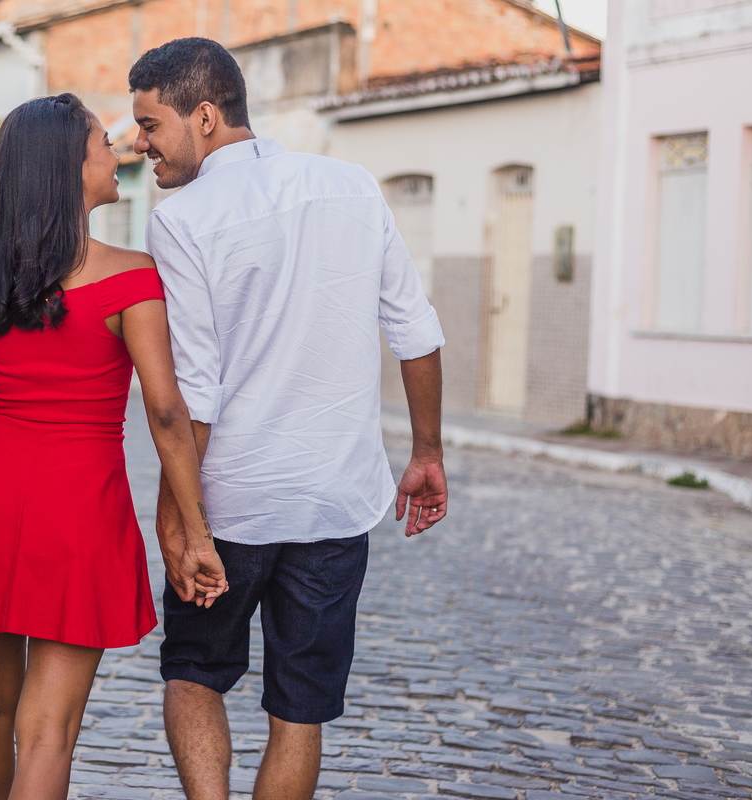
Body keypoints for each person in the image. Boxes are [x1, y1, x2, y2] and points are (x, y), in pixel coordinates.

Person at [0, 93, 228, 800]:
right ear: (65, 166)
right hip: (80, 509)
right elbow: (169, 414)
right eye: (101, 144)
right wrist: (196, 532)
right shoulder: (132, 277)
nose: (117, 154)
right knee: (48, 729)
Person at [129, 39, 449, 800]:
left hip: (233, 506)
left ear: (204, 117)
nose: (141, 146)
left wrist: (178, 516)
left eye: (151, 126)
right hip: (337, 502)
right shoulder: (351, 186)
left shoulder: (181, 221)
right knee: (299, 713)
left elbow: (193, 394)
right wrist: (427, 451)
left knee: (193, 674)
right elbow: (415, 329)